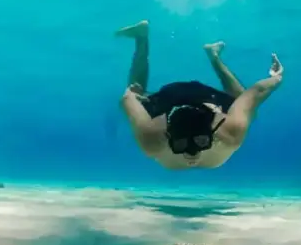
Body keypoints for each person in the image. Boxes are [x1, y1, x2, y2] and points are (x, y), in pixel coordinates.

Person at [115, 20, 283, 170]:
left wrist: (132, 94)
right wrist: (276, 77)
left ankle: (143, 38)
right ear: (167, 135)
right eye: (180, 144)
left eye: (201, 141)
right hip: (172, 100)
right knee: (243, 106)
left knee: (136, 92)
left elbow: (127, 99)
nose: (192, 153)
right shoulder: (152, 138)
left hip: (203, 100)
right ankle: (143, 39)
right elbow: (254, 94)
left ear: (213, 131)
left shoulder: (151, 141)